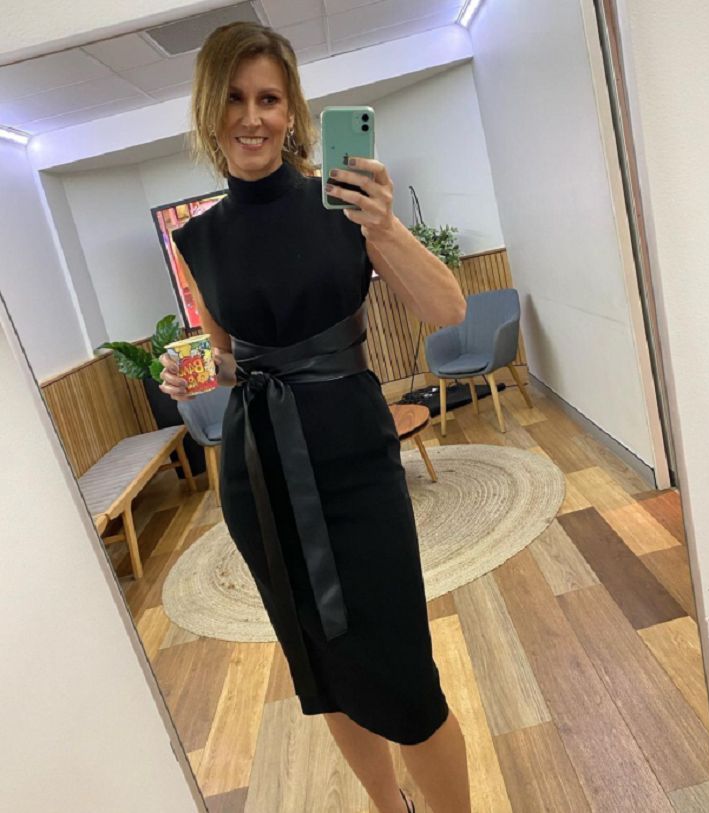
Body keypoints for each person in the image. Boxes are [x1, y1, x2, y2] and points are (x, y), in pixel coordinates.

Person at [159, 22, 472, 813]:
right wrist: (190, 371)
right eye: (233, 98)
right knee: (325, 672)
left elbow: (446, 309)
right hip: (258, 474)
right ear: (208, 110)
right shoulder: (198, 240)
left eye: (268, 99)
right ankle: (389, 806)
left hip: (353, 461)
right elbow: (236, 359)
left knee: (405, 676)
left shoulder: (343, 206)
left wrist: (381, 224)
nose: (251, 117)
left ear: (292, 112)